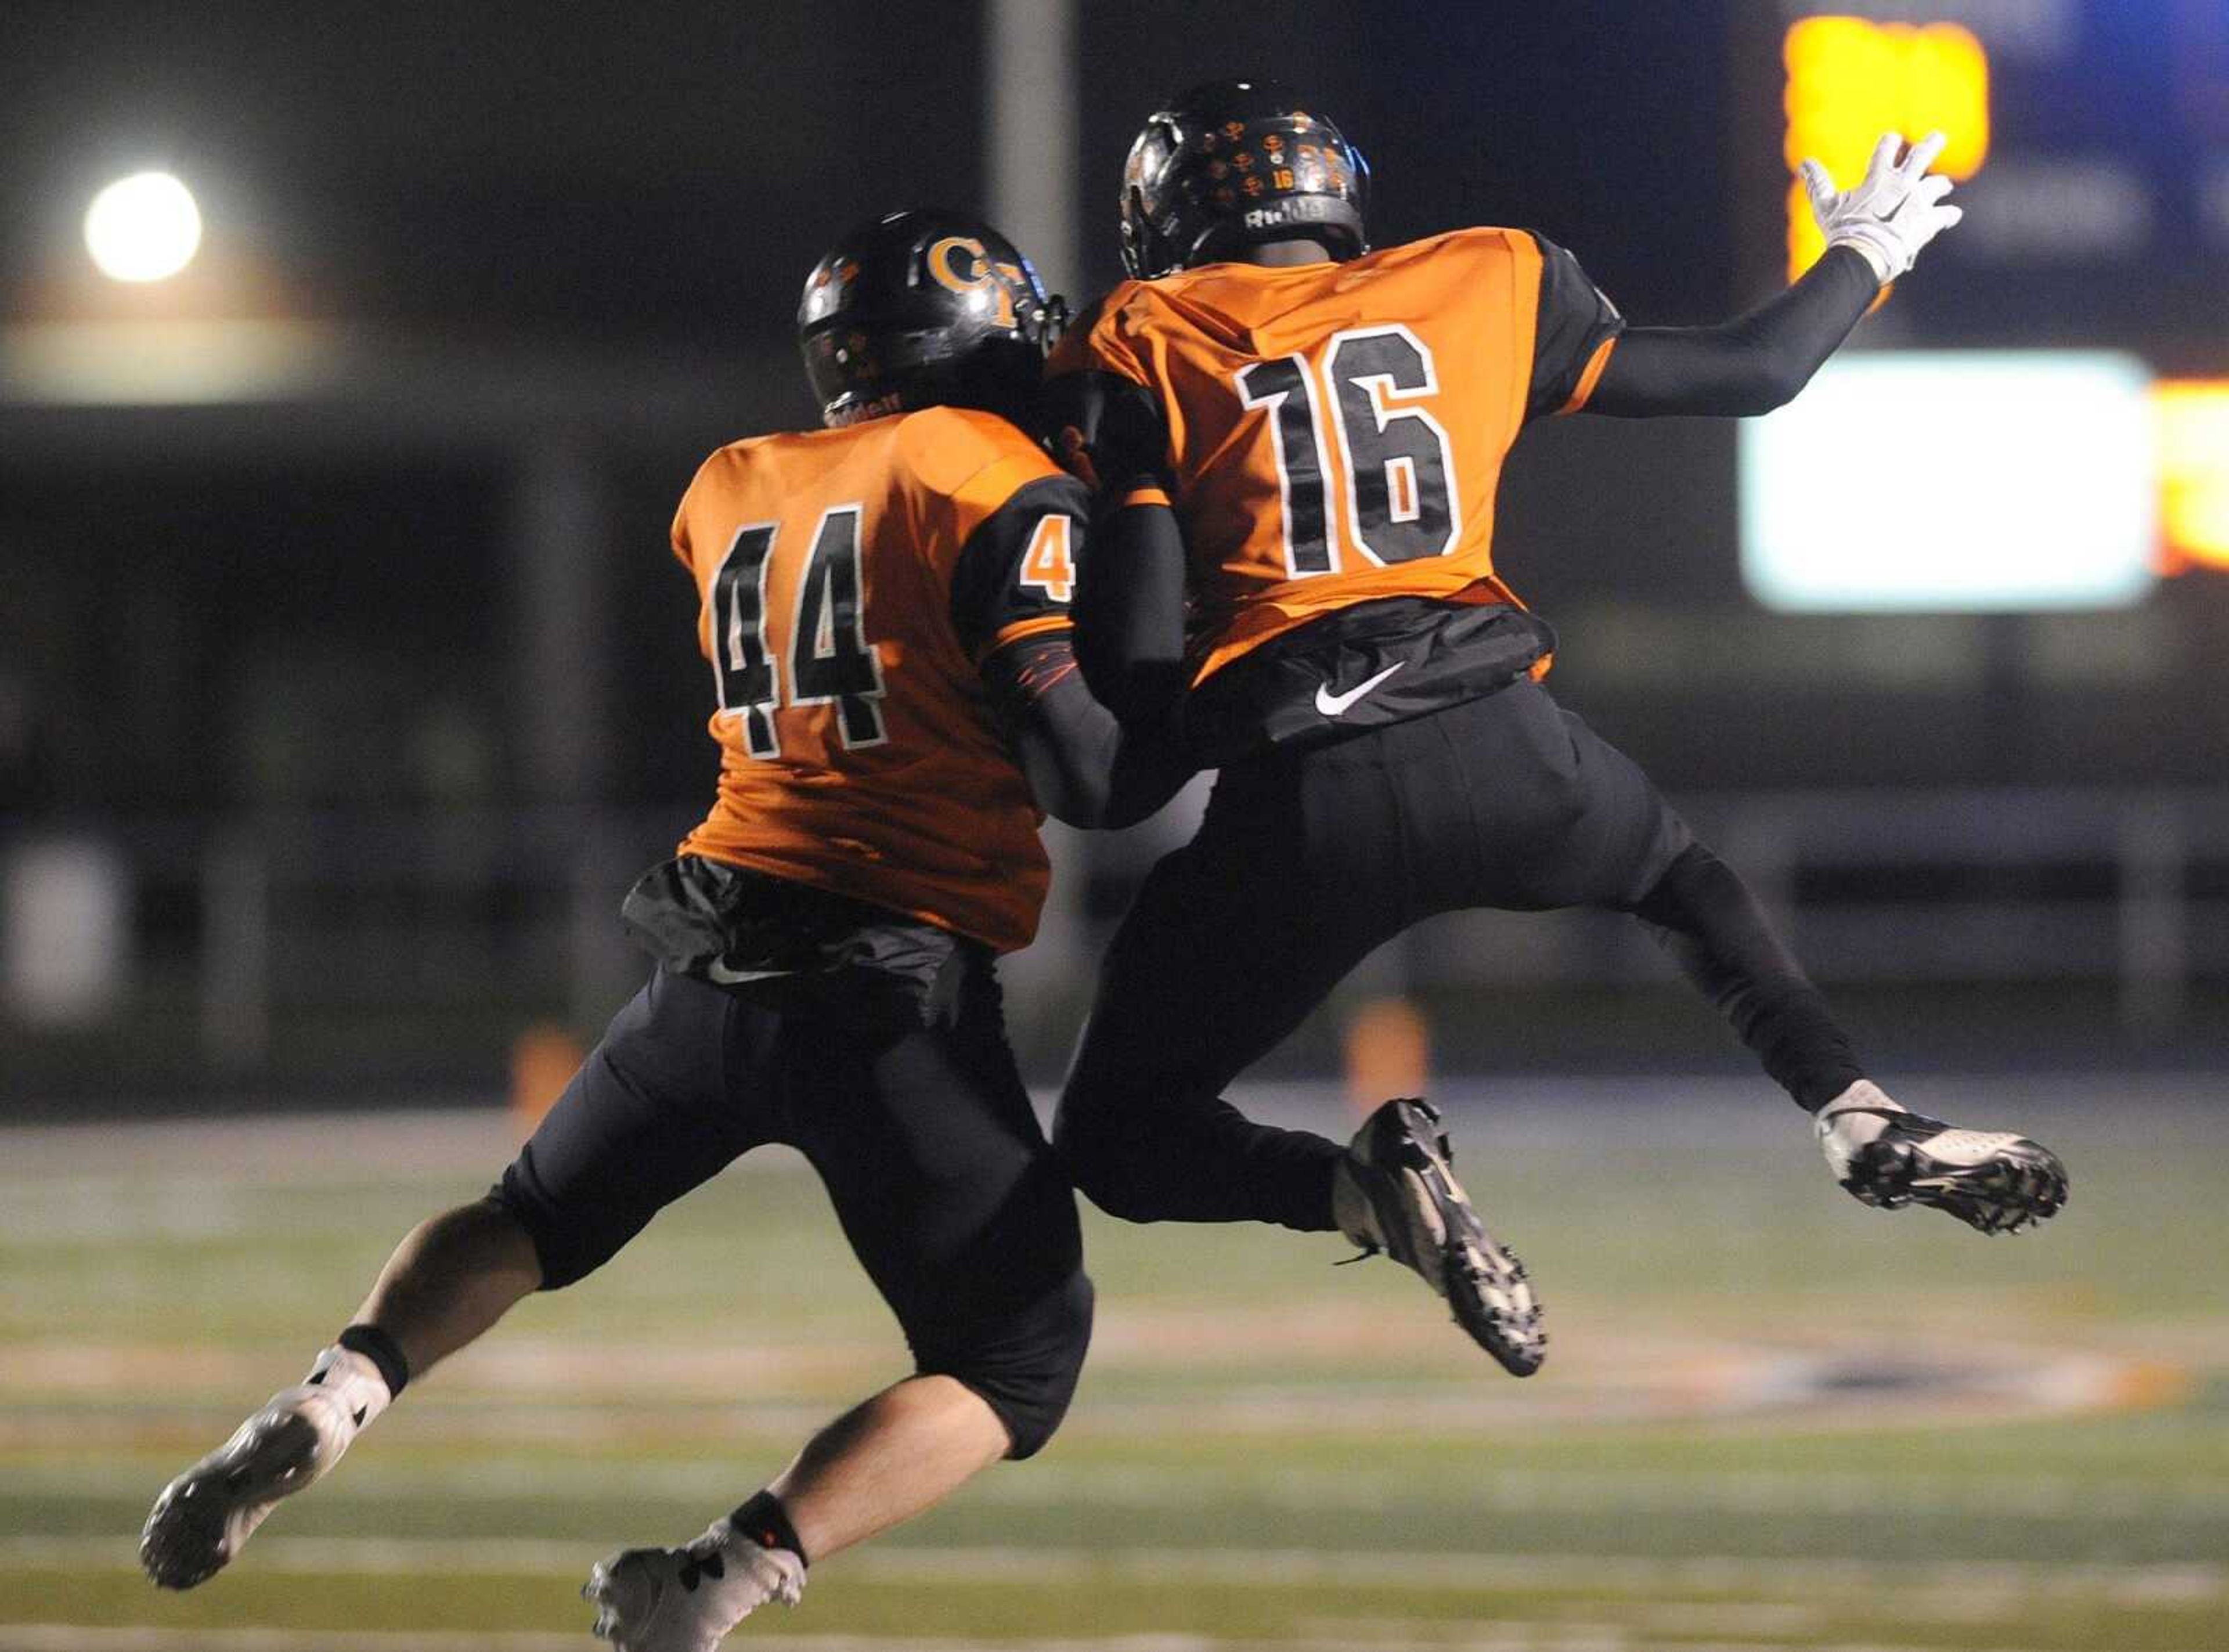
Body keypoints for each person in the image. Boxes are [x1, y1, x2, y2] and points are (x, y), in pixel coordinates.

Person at [139, 209, 1193, 1652]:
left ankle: (338, 1390)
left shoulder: (730, 486)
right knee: (1018, 1359)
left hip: (710, 956)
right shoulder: (995, 480)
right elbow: (1086, 777)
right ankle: (723, 1573)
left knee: (527, 1216)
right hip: (893, 984)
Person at [1039, 80, 2068, 1379]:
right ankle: (1855, 1111)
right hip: (1507, 745)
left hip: (1308, 790)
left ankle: (1368, 1192)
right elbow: (1753, 371)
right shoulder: (1482, 275)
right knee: (1683, 882)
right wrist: (1866, 251)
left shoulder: (1142, 333)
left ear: (1165, 218)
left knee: (1118, 1136)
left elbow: (1132, 663)